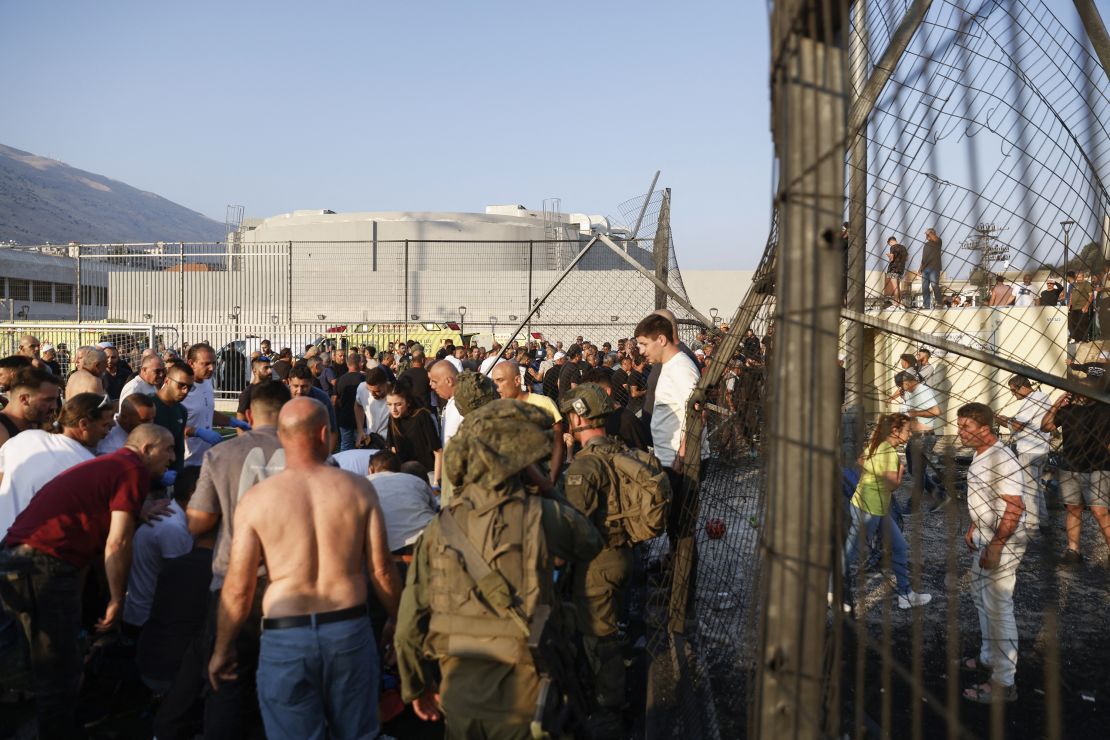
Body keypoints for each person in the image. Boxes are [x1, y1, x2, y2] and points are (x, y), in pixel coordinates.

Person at [394, 399, 604, 738]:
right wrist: (548, 488)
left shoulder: (440, 528)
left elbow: (407, 627)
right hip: (525, 698)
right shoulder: (540, 515)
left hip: (459, 692)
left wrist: (416, 687)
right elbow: (589, 541)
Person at [207, 397, 402, 740]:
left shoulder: (257, 500)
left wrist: (223, 648)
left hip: (286, 633)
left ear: (281, 436)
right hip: (347, 627)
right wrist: (398, 620)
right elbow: (382, 570)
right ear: (326, 434)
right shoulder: (358, 490)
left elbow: (239, 587)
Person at [0, 424, 174, 739]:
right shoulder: (131, 468)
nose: (173, 459)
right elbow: (118, 543)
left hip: (16, 556)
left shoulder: (106, 466)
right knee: (59, 669)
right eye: (169, 449)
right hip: (43, 562)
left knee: (33, 657)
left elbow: (90, 537)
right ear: (147, 448)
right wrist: (118, 600)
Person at [156, 381, 292, 740]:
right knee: (285, 683)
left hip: (234, 578)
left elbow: (197, 521)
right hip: (290, 583)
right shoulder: (305, 453)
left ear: (246, 416)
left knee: (227, 675)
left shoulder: (223, 454)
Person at [559, 384, 638, 734]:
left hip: (598, 563)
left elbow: (575, 523)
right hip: (623, 553)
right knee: (610, 632)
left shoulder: (585, 465)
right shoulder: (620, 450)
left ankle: (609, 712)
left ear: (578, 417)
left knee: (599, 640)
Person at [956, 402, 1030, 703]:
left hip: (1004, 540)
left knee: (999, 608)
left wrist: (997, 546)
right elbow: (987, 498)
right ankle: (988, 657)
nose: (960, 433)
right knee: (980, 596)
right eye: (959, 426)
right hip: (988, 535)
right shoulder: (981, 453)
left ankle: (1003, 683)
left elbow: (1014, 507)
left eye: (966, 428)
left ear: (985, 428)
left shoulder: (1002, 459)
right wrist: (974, 526)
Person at [842, 413, 932, 609]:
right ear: (895, 431)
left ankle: (905, 594)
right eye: (907, 431)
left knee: (899, 546)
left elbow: (860, 461)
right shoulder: (890, 453)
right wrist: (899, 470)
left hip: (876, 508)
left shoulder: (877, 445)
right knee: (852, 552)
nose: (909, 435)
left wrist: (875, 472)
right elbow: (893, 486)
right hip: (869, 509)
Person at [0, 392, 116, 533]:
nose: (108, 433)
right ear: (83, 424)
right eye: (105, 426)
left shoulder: (24, 438)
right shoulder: (86, 465)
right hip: (29, 547)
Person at [122, 463, 195, 633]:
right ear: (193, 494)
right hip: (147, 621)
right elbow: (179, 582)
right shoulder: (173, 527)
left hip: (148, 614)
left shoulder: (174, 514)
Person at [1040, 389, 1110, 564]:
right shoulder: (1067, 408)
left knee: (1099, 511)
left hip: (1098, 467)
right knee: (1073, 508)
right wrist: (1056, 405)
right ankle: (1073, 550)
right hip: (1070, 466)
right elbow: (1046, 426)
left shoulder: (1105, 406)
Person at [491, 360, 566, 481]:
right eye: (493, 381)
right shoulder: (495, 410)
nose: (496, 387)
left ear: (517, 380)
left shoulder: (544, 403)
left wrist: (551, 480)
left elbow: (558, 444)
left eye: (500, 380)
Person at [996, 375, 1052, 529]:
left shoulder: (1030, 401)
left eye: (1013, 390)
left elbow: (1018, 425)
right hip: (1042, 449)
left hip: (1029, 451)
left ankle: (1032, 524)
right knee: (1036, 487)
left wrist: (1000, 419)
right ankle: (1044, 519)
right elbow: (1027, 422)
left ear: (1021, 387)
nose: (1012, 394)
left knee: (1029, 489)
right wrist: (1008, 420)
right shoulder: (1043, 396)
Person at [182, 343, 248, 466]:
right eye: (206, 364)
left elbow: (206, 412)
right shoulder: (180, 388)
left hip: (206, 461)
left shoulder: (207, 381)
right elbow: (170, 426)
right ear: (191, 363)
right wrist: (197, 432)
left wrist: (232, 422)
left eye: (213, 363)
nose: (212, 368)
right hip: (186, 463)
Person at [366, 450, 438, 552]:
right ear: (399, 469)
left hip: (386, 548)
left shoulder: (362, 484)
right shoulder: (416, 481)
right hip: (430, 540)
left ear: (370, 470)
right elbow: (434, 507)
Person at [899, 371, 945, 507]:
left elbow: (936, 411)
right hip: (915, 436)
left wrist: (915, 413)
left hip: (924, 437)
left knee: (918, 472)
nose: (902, 389)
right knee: (914, 471)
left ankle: (914, 505)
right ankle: (939, 494)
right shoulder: (911, 393)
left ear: (906, 382)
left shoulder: (923, 390)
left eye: (902, 386)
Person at [386, 385, 442, 483]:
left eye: (398, 404)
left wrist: (436, 483)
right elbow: (393, 450)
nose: (393, 409)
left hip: (427, 474)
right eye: (389, 404)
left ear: (408, 402)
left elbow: (438, 451)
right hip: (403, 475)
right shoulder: (392, 419)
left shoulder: (422, 416)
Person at [0, 366, 61, 448]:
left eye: (55, 399)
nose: (54, 406)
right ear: (24, 399)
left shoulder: (37, 422)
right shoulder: (2, 430)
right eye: (48, 400)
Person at [287, 363, 338, 448]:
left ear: (311, 382)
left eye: (304, 387)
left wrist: (326, 457)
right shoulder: (280, 397)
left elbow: (332, 431)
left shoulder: (322, 399)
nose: (299, 391)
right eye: (296, 386)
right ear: (289, 382)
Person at [334, 352, 365, 451]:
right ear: (360, 364)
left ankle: (344, 466)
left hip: (345, 418)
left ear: (348, 364)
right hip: (361, 420)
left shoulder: (340, 380)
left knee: (346, 446)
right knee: (362, 446)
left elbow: (334, 400)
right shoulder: (364, 379)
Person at [235, 355, 272, 423]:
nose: (270, 371)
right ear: (255, 371)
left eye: (270, 367)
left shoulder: (272, 389)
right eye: (266, 368)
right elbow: (240, 422)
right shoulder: (247, 394)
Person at [920, 227, 943, 309]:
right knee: (924, 287)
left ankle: (939, 303)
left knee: (934, 285)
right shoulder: (926, 245)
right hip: (925, 269)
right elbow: (923, 258)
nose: (926, 235)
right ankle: (926, 304)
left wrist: (929, 232)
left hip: (934, 267)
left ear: (933, 233)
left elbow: (935, 239)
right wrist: (920, 268)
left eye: (928, 234)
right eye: (927, 234)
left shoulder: (938, 241)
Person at [1068, 270, 1093, 343]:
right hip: (1074, 308)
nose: (1078, 278)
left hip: (1082, 307)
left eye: (1080, 277)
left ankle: (1084, 340)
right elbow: (1071, 295)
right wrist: (1069, 305)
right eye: (1077, 277)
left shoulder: (1087, 284)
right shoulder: (1074, 284)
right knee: (1073, 324)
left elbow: (1091, 296)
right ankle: (1077, 339)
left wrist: (1086, 306)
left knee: (1082, 324)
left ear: (1083, 277)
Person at [884, 236, 908, 307]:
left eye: (889, 244)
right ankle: (899, 303)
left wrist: (889, 256)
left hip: (893, 269)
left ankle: (896, 303)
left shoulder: (893, 247)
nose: (890, 245)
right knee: (898, 287)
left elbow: (891, 258)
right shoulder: (903, 248)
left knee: (895, 287)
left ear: (891, 241)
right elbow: (906, 258)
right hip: (901, 269)